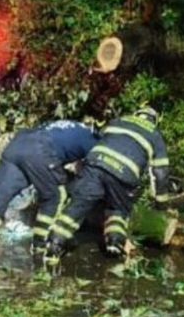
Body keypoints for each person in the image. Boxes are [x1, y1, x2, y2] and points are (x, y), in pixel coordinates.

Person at [43, 106, 169, 266]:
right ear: (155, 121)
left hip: (96, 164)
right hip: (124, 174)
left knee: (77, 206)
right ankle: (114, 243)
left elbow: (97, 140)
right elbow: (160, 173)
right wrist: (161, 204)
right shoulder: (155, 135)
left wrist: (81, 169)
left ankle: (53, 245)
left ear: (137, 114)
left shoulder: (119, 121)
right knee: (118, 209)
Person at [0, 118, 99, 266]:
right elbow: (87, 172)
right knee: (54, 197)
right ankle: (40, 245)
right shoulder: (92, 141)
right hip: (40, 149)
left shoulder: (68, 125)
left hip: (16, 145)